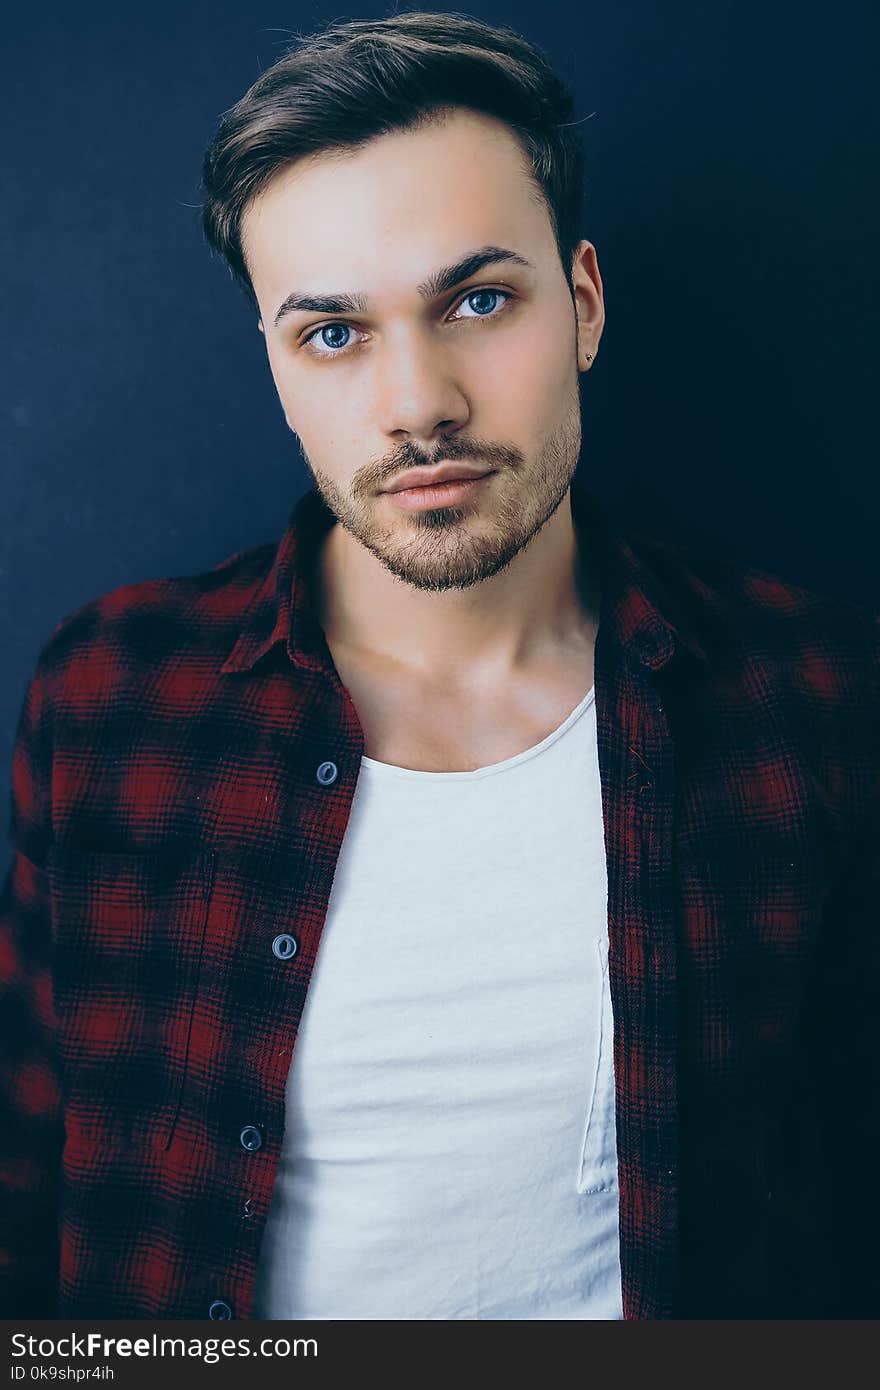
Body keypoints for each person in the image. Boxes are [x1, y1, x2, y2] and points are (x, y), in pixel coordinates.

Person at [1, 10, 877, 1322]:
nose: (419, 404)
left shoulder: (811, 701)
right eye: (334, 333)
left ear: (581, 302)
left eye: (477, 300)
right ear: (277, 369)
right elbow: (28, 1217)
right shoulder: (113, 699)